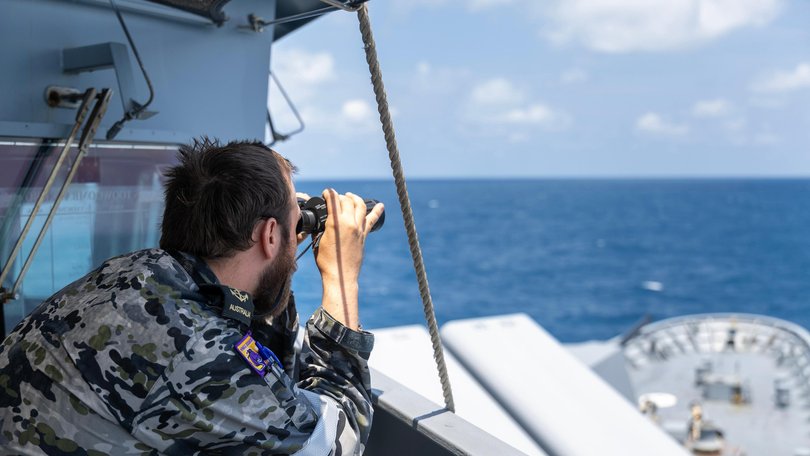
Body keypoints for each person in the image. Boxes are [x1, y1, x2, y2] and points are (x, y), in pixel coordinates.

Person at [0, 138, 384, 455]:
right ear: (268, 235)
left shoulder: (131, 271)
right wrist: (340, 276)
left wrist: (276, 259)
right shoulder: (199, 351)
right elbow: (334, 443)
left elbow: (257, 374)